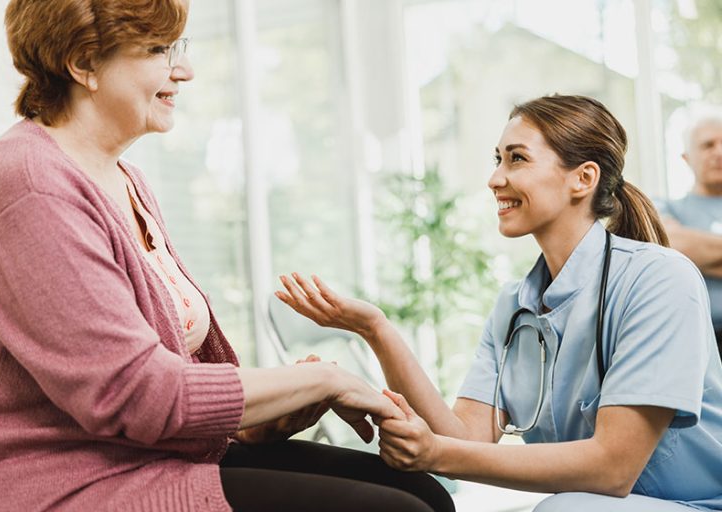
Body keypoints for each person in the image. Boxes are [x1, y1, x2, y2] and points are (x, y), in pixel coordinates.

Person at [0, 1, 455, 511]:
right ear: (82, 64)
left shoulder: (125, 179)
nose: (184, 70)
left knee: (421, 492)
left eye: (177, 48)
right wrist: (324, 379)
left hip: (143, 457)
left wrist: (254, 421)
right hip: (59, 483)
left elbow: (173, 367)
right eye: (157, 50)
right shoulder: (24, 182)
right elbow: (133, 396)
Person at [278, 95, 722, 511]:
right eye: (498, 159)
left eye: (517, 158)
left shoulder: (659, 279)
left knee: (564, 508)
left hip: (697, 504)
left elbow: (612, 467)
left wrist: (438, 451)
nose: (495, 179)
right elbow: (465, 437)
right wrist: (376, 329)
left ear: (583, 179)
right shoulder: (516, 304)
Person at [657, 107, 722, 358]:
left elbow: (684, 249)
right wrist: (683, 248)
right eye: (707, 145)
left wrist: (700, 253)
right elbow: (673, 244)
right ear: (686, 158)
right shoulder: (665, 207)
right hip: (694, 343)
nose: (718, 152)